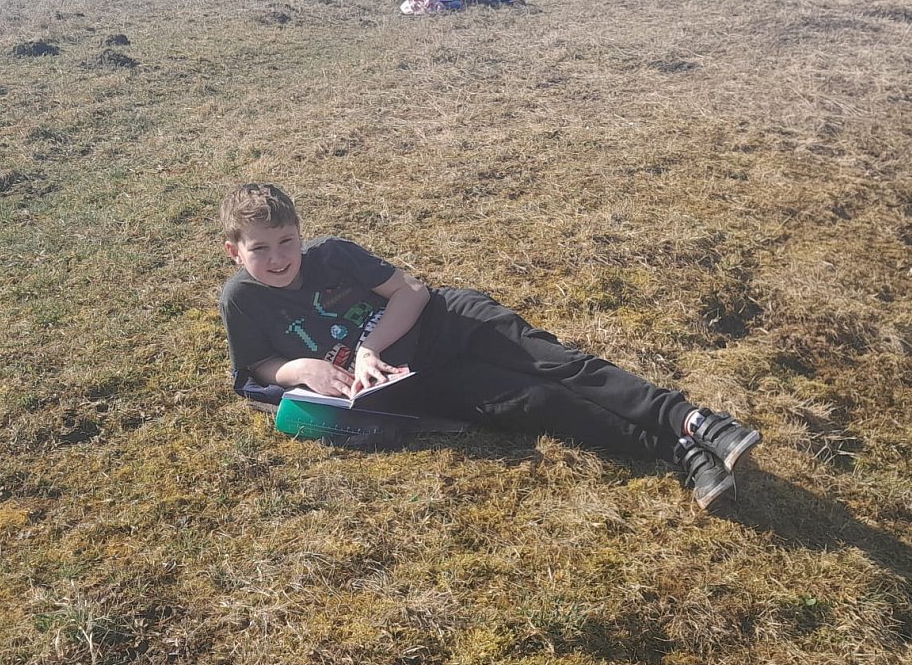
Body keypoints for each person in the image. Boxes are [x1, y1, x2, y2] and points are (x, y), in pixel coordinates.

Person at [218, 184, 762, 509]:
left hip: (449, 322)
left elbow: (412, 292)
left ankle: (694, 420)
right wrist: (301, 369)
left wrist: (368, 348)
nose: (279, 258)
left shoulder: (334, 254)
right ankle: (678, 452)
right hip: (418, 381)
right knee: (538, 403)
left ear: (301, 232)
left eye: (287, 241)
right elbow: (258, 367)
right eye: (260, 249)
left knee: (557, 364)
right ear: (234, 251)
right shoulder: (241, 298)